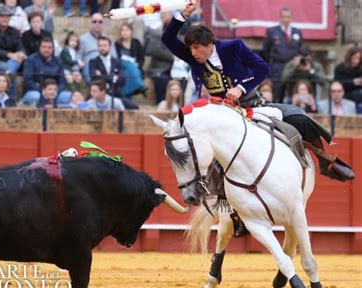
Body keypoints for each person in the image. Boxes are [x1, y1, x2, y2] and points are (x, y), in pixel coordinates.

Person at [162, 1, 353, 184]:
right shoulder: (192, 57)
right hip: (219, 112)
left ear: (209, 44)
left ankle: (323, 158)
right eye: (191, 48)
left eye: (197, 47)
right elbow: (167, 39)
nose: (193, 52)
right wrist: (184, 14)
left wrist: (241, 87)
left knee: (297, 118)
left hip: (250, 104)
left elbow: (263, 68)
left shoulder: (234, 46)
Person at [263, 6, 302, 102]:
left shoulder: (297, 32)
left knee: (293, 92)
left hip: (292, 67)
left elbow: (299, 48)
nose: (286, 19)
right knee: (277, 93)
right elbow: (266, 50)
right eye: (284, 17)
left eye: (288, 17)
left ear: (291, 18)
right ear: (280, 18)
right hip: (277, 67)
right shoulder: (272, 31)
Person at [0, 5, 26, 98]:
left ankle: (9, 73)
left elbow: (20, 45)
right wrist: (9, 55)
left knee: (17, 62)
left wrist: (21, 52)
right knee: (8, 69)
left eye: (7, 17)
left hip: (13, 60)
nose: (5, 19)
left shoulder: (14, 31)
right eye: (2, 16)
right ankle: (11, 99)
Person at [22, 36, 69, 106]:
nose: (46, 50)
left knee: (67, 96)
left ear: (53, 49)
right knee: (36, 96)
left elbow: (62, 81)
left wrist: (54, 91)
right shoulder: (31, 60)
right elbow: (28, 80)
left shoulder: (58, 61)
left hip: (55, 92)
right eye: (44, 47)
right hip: (35, 91)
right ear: (39, 48)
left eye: (49, 47)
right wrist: (43, 92)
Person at [145, 12, 175, 104]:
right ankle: (161, 103)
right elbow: (155, 50)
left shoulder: (178, 39)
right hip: (159, 69)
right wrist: (172, 56)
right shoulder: (158, 37)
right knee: (161, 79)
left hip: (175, 69)